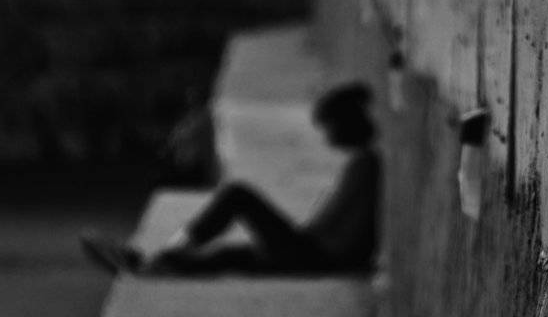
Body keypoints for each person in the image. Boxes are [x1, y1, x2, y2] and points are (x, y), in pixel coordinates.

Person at [82, 82, 380, 276]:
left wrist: (284, 238)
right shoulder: (363, 163)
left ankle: (166, 255)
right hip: (317, 255)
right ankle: (153, 267)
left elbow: (334, 233)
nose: (327, 136)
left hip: (321, 260)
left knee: (238, 195)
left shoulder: (365, 165)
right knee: (229, 256)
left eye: (329, 127)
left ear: (346, 126)